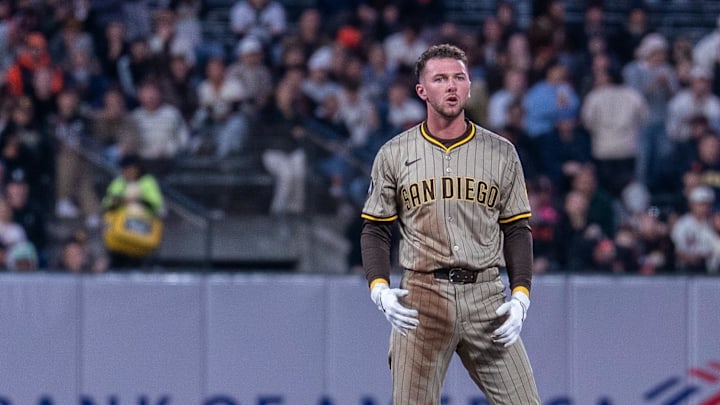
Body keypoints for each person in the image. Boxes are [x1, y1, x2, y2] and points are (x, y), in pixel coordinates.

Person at [359, 44, 539, 404]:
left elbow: (517, 228)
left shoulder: (501, 152)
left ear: (470, 86)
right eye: (440, 79)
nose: (452, 86)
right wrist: (379, 288)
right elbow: (376, 228)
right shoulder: (394, 153)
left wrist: (521, 296)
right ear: (422, 91)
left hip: (486, 296)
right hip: (422, 296)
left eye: (459, 77)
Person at [102, 154, 165, 269]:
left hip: (142, 234)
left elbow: (156, 204)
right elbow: (108, 204)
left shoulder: (148, 182)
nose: (129, 172)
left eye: (131, 169)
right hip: (120, 237)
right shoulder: (119, 183)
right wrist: (123, 201)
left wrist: (138, 199)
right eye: (126, 169)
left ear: (138, 169)